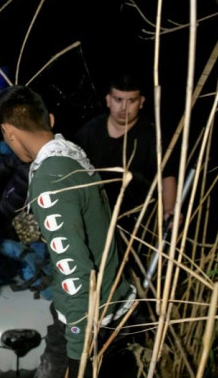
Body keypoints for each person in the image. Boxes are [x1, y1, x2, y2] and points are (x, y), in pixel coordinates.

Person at [0, 85, 137, 378]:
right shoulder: (68, 151)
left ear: (8, 132)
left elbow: (76, 275)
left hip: (91, 311)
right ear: (51, 121)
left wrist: (77, 361)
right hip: (110, 297)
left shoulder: (49, 180)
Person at [72, 72, 179, 262]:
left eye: (131, 101)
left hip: (135, 223)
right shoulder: (91, 130)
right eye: (118, 99)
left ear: (142, 101)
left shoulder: (152, 135)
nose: (123, 107)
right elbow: (71, 169)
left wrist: (169, 210)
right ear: (108, 100)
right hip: (93, 216)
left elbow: (167, 175)